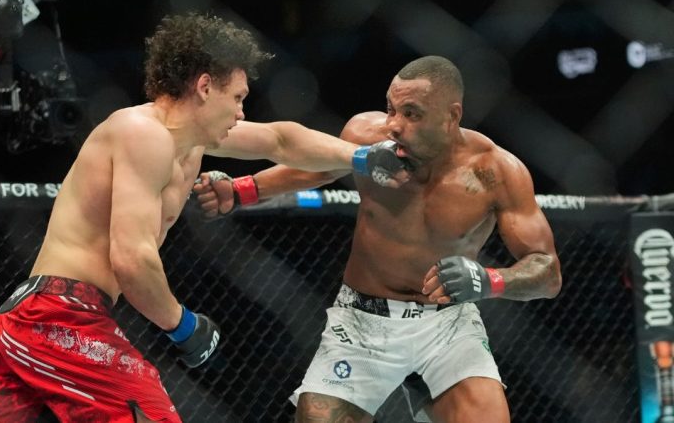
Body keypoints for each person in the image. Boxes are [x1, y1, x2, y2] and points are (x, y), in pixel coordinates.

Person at [0, 13, 411, 423]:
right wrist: (182, 324)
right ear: (205, 86)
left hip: (34, 322)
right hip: (60, 316)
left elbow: (281, 140)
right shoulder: (142, 133)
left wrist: (359, 156)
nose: (242, 111)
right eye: (238, 97)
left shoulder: (191, 142)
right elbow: (131, 257)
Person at [193, 55, 563, 423]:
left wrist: (490, 280)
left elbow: (547, 273)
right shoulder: (366, 137)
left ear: (452, 116)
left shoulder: (495, 171)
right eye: (391, 109)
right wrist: (241, 190)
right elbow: (316, 168)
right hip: (362, 320)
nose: (394, 125)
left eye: (412, 114)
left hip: (448, 325)